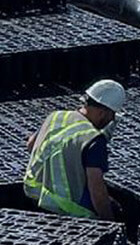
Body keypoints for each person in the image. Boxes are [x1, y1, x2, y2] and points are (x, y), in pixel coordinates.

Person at [23, 80, 128, 220]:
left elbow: (31, 144)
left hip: (34, 191)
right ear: (103, 112)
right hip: (63, 205)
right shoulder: (93, 140)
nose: (111, 120)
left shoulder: (56, 116)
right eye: (112, 116)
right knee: (115, 209)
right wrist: (110, 223)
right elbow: (97, 191)